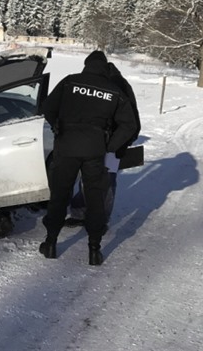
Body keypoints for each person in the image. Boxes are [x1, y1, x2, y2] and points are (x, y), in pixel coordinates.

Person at [39, 51, 138, 265]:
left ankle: (50, 243)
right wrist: (110, 146)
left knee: (60, 195)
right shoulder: (113, 91)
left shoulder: (69, 82)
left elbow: (47, 106)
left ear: (86, 65)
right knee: (95, 199)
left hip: (66, 146)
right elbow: (129, 125)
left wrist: (58, 125)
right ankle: (94, 250)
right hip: (95, 151)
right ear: (106, 68)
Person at [65, 62, 141, 228]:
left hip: (112, 144)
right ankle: (79, 213)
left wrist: (117, 144)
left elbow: (132, 120)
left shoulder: (119, 86)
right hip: (90, 141)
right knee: (86, 178)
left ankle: (100, 218)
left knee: (106, 182)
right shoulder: (92, 84)